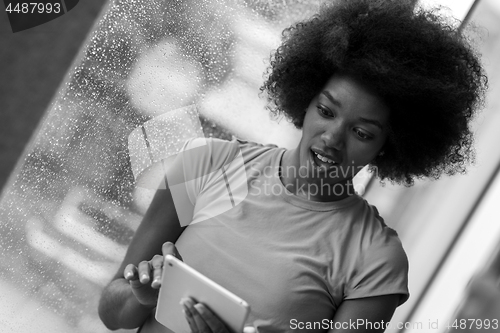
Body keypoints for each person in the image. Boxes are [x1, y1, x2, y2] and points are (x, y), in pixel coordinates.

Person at [98, 0, 486, 332]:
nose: (332, 137)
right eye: (326, 110)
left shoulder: (374, 260)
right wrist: (141, 296)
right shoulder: (206, 164)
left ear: (389, 147)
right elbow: (112, 310)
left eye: (362, 133)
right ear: (306, 98)